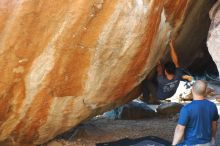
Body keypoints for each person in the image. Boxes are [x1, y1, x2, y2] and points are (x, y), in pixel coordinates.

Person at [172, 80, 219, 146]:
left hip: (191, 144)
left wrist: (174, 144)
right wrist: (212, 138)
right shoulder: (212, 106)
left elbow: (180, 129)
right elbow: (214, 125)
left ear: (192, 90)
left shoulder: (187, 109)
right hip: (208, 143)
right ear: (205, 91)